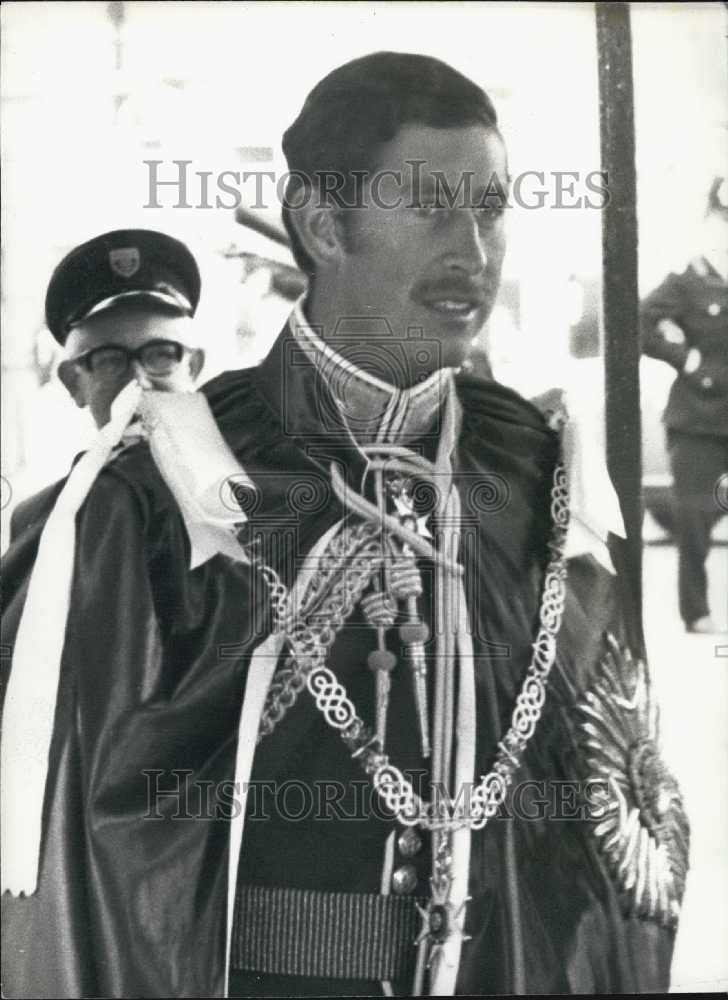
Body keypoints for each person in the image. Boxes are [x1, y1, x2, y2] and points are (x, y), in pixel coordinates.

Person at [2, 54, 689, 998]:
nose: (473, 253)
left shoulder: (538, 474)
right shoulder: (158, 498)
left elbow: (617, 814)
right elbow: (85, 860)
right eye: (430, 207)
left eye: (489, 209)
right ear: (325, 223)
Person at [7, 228, 205, 540]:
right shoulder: (40, 522)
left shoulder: (255, 500)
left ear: (192, 368)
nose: (138, 382)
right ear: (74, 383)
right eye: (111, 360)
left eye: (160, 355)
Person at [641, 178, 728, 634]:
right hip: (698, 418)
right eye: (721, 222)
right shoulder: (689, 280)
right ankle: (697, 612)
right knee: (694, 519)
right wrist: (684, 359)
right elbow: (641, 321)